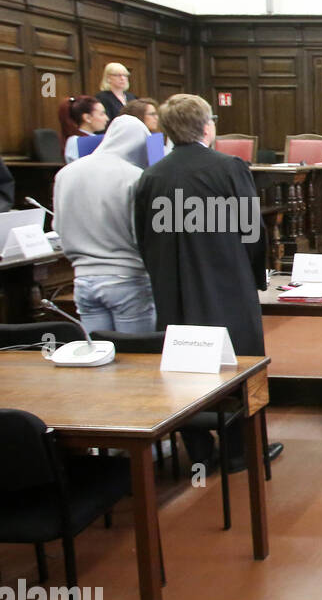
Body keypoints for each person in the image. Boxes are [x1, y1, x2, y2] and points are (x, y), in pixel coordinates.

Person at [134, 94, 280, 469]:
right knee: (241, 367)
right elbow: (252, 231)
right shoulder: (229, 167)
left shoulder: (152, 176)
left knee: (183, 367)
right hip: (227, 286)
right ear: (206, 126)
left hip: (173, 289)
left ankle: (197, 449)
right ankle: (242, 450)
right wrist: (253, 278)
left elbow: (144, 238)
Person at [52, 115, 155, 333]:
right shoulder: (135, 177)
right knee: (134, 359)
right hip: (128, 278)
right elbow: (142, 235)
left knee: (99, 358)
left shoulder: (66, 174)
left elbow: (57, 227)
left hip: (82, 279)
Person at [59, 96, 108, 162]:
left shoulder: (95, 138)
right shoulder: (76, 141)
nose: (107, 118)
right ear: (87, 118)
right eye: (102, 114)